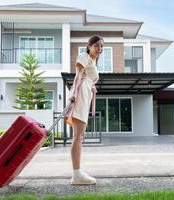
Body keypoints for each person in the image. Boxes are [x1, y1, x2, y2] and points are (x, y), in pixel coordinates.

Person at [64, 35, 103, 185]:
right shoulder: (84, 56)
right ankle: (77, 174)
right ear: (89, 46)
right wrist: (74, 94)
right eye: (96, 46)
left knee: (80, 135)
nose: (99, 49)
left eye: (101, 47)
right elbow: (78, 75)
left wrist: (92, 85)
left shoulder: (92, 62)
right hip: (80, 93)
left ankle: (77, 173)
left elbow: (88, 78)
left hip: (85, 94)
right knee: (78, 136)